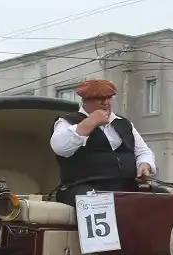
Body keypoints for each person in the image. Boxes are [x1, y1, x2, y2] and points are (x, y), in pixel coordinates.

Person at [50, 78, 158, 206]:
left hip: (125, 187)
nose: (106, 103)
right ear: (85, 101)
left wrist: (145, 164)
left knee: (165, 197)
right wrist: (91, 122)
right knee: (98, 204)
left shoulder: (124, 123)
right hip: (83, 187)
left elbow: (143, 152)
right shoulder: (67, 122)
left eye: (109, 97)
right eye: (99, 98)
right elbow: (60, 148)